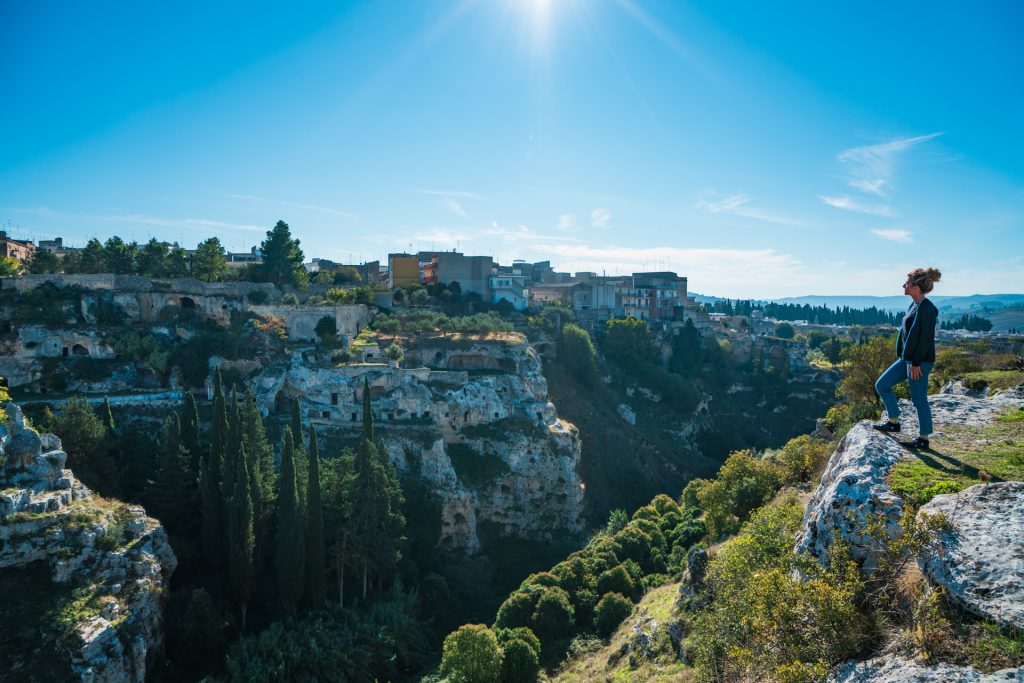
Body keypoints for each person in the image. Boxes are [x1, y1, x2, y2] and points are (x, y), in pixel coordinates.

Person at [872, 267, 942, 449]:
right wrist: (907, 358)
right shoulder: (914, 305)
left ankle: (924, 438)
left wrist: (916, 363)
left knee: (919, 399)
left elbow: (925, 339)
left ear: (916, 287)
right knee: (882, 384)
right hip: (907, 359)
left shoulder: (928, 309)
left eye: (908, 283)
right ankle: (894, 422)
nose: (904, 285)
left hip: (919, 361)